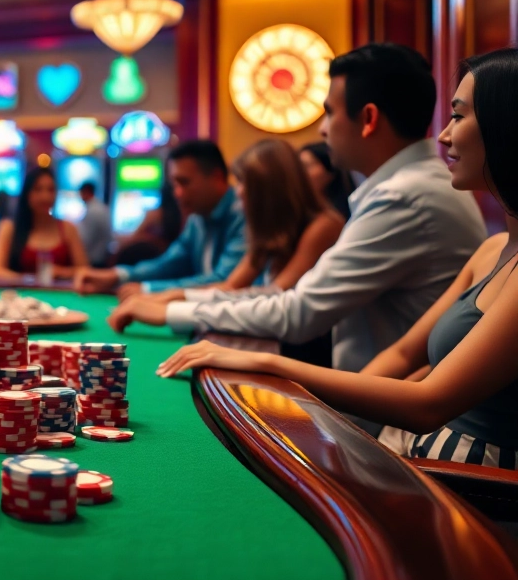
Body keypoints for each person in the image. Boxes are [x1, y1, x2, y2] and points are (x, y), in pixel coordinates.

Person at [156, 48, 518, 469]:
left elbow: (426, 401)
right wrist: (333, 426)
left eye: (458, 116)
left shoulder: (407, 196)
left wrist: (266, 363)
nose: (444, 135)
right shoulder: (490, 246)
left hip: (471, 484)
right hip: (404, 439)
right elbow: (403, 356)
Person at [114, 43, 487, 376]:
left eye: (329, 112)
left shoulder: (406, 196)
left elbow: (298, 313)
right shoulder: (409, 185)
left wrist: (171, 311)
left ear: (369, 119)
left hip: (386, 422)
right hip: (375, 401)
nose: (322, 130)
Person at [112, 139, 343, 311]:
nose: (239, 191)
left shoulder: (324, 225)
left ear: (276, 188)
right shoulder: (268, 230)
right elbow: (230, 286)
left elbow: (275, 297)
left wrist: (172, 306)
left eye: (247, 183)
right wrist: (167, 296)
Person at [75, 140, 247, 300]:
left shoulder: (244, 216)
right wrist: (117, 275)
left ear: (216, 177)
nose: (177, 193)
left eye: (184, 182)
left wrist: (149, 290)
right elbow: (169, 263)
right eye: (174, 185)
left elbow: (226, 281)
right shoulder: (197, 218)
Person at [0, 167, 89, 281]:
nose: (45, 196)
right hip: (20, 297)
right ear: (27, 193)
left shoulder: (68, 228)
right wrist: (31, 280)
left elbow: (85, 271)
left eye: (51, 190)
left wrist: (59, 272)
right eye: (38, 189)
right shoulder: (8, 227)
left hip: (59, 296)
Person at [112, 185, 184, 266]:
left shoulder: (155, 214)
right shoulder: (185, 215)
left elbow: (135, 237)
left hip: (148, 261)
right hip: (172, 263)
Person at [300, 142, 354, 219]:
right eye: (299, 168)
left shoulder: (355, 204)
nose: (301, 174)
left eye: (307, 166)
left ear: (330, 170)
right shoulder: (306, 211)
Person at [76, 181, 113, 267]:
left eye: (81, 193)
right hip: (103, 258)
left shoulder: (92, 211)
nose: (80, 197)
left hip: (94, 261)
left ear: (85, 192)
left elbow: (85, 240)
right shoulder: (102, 208)